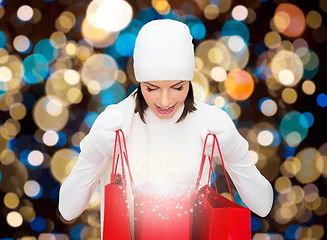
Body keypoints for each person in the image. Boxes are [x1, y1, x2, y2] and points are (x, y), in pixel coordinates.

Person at [59, 19, 273, 238]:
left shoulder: (211, 123)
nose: (164, 101)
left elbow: (263, 205)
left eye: (177, 87)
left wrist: (235, 152)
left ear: (189, 81)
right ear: (139, 81)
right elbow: (68, 209)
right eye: (151, 88)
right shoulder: (115, 123)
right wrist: (92, 154)